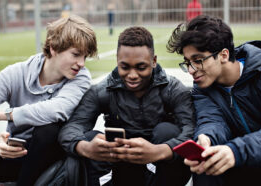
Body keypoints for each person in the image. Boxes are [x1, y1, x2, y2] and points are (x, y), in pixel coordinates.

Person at [0, 15, 97, 186]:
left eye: (85, 57)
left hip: (48, 164)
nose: (81, 63)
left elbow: (57, 110)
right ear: (54, 48)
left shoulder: (80, 78)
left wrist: (1, 115)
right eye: (76, 54)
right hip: (13, 156)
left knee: (48, 129)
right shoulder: (16, 73)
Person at [59, 26, 195, 186]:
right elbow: (71, 128)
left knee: (167, 131)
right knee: (89, 138)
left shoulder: (173, 89)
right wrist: (85, 147)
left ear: (154, 61)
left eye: (141, 67)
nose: (132, 75)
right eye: (125, 67)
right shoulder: (102, 91)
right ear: (117, 60)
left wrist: (161, 150)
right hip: (122, 169)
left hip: (161, 170)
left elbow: (192, 130)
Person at [167, 15, 261, 186]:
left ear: (223, 55)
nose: (191, 70)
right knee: (205, 164)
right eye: (187, 62)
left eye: (198, 61)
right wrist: (206, 138)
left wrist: (235, 151)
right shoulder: (202, 87)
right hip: (239, 165)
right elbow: (212, 120)